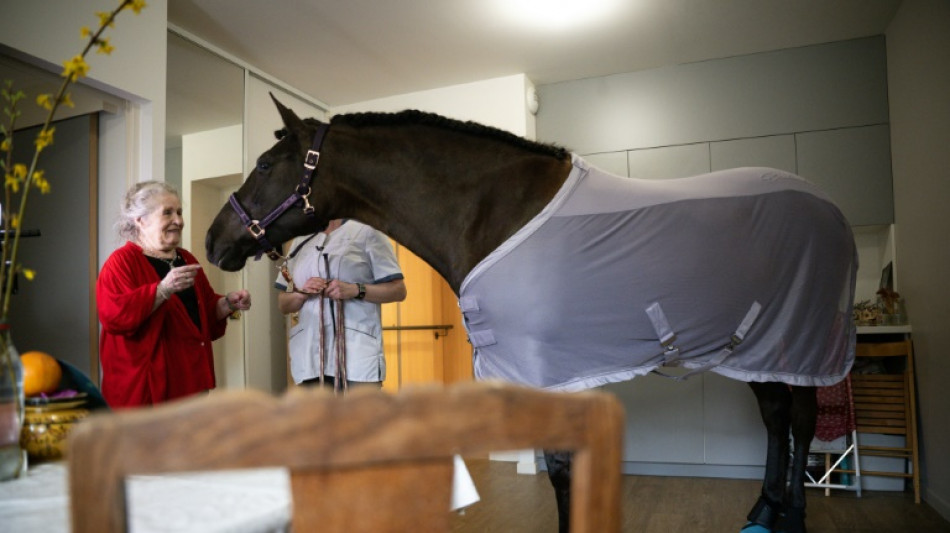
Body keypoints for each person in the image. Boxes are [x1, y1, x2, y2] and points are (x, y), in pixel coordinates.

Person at [97, 181, 251, 407]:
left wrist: (227, 303)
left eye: (179, 212)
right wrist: (162, 290)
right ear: (141, 220)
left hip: (191, 384)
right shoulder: (121, 263)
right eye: (167, 212)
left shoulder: (186, 258)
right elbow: (115, 317)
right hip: (146, 393)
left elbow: (203, 315)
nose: (178, 221)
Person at [276, 219, 406, 391]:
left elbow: (398, 290)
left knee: (360, 409)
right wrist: (301, 294)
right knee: (313, 409)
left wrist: (356, 290)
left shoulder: (368, 232)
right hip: (309, 357)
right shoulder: (300, 240)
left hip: (357, 357)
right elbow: (283, 304)